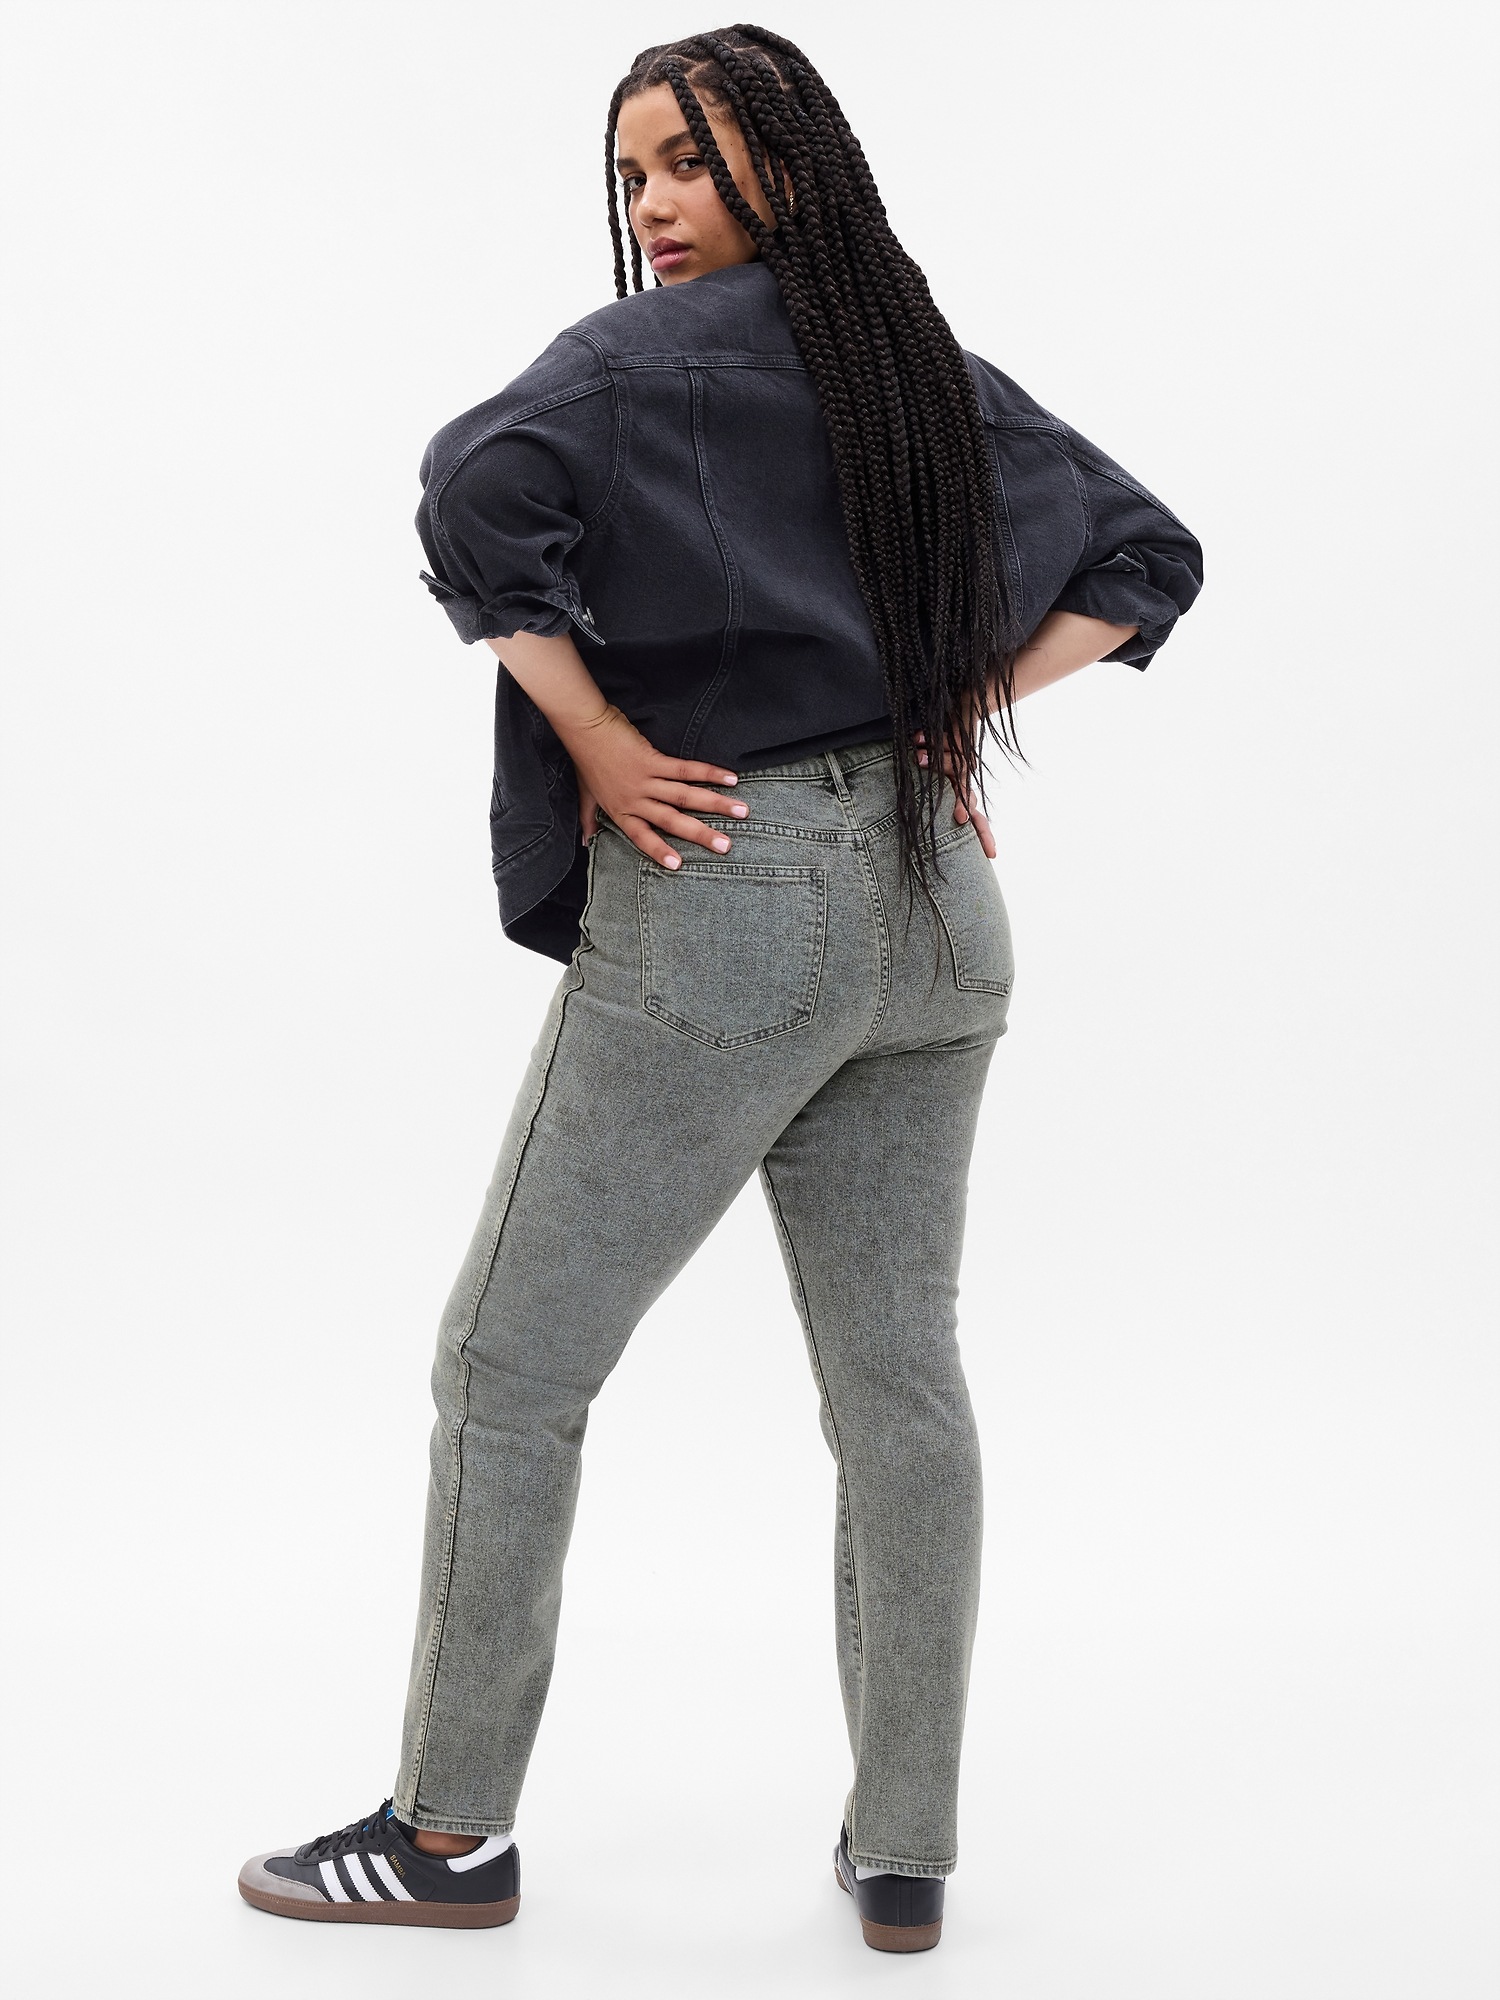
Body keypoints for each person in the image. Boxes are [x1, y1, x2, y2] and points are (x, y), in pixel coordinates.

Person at [238, 25, 1203, 1954]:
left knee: (511, 1370)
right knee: (900, 1386)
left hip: (729, 902)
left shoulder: (628, 368)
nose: (655, 204)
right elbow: (1143, 555)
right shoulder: (918, 371)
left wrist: (598, 738)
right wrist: (952, 708)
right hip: (941, 915)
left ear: (790, 164)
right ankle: (906, 1849)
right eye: (633, 174)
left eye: (689, 160)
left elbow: (465, 495)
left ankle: (448, 1836)